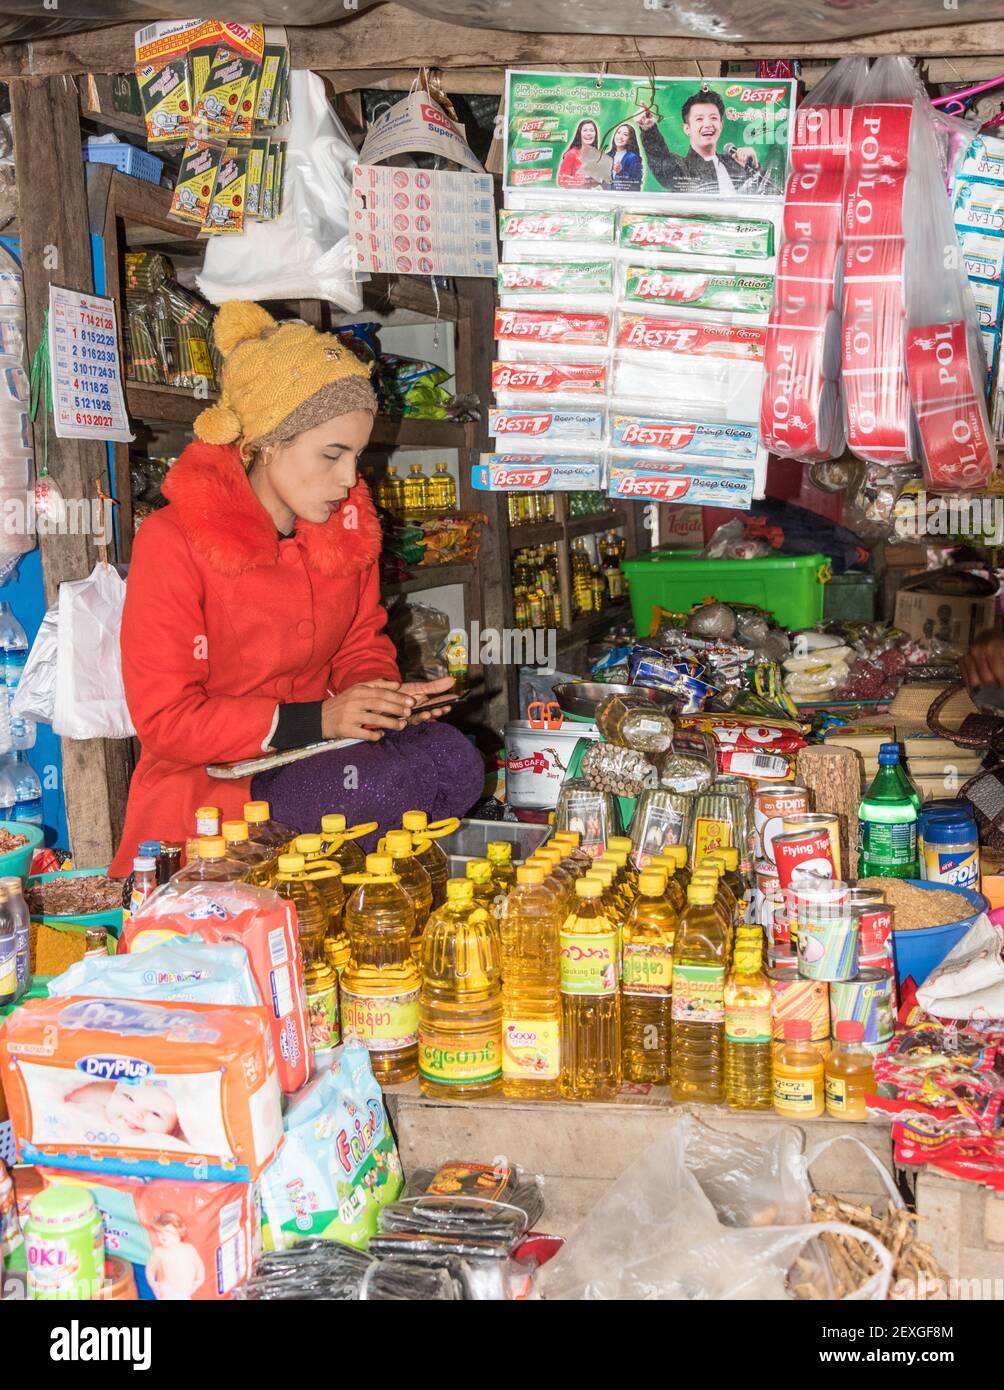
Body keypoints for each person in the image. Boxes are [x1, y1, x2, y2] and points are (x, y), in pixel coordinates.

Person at [110, 301, 484, 877]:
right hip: (217, 782)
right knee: (375, 788)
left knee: (455, 760)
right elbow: (167, 720)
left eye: (358, 457)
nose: (349, 480)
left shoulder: (344, 535)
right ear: (266, 443)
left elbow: (360, 646)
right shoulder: (174, 541)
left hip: (321, 754)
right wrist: (321, 721)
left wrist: (380, 704)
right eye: (332, 455)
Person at [637, 88, 780, 197]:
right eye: (699, 119)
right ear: (687, 128)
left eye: (713, 118)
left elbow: (769, 193)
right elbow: (661, 162)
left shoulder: (735, 162)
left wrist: (754, 168)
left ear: (721, 124)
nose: (707, 124)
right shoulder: (681, 167)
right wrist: (648, 129)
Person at [557, 119, 612, 189]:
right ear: (579, 134)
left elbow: (594, 183)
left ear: (595, 134)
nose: (588, 133)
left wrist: (596, 179)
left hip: (588, 196)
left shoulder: (595, 156)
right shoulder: (572, 154)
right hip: (573, 196)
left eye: (591, 131)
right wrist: (578, 180)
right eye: (585, 130)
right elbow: (561, 181)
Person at [606, 122, 643, 191]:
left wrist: (620, 171)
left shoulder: (632, 157)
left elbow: (636, 183)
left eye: (625, 134)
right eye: (618, 132)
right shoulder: (608, 156)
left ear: (630, 139)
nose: (620, 136)